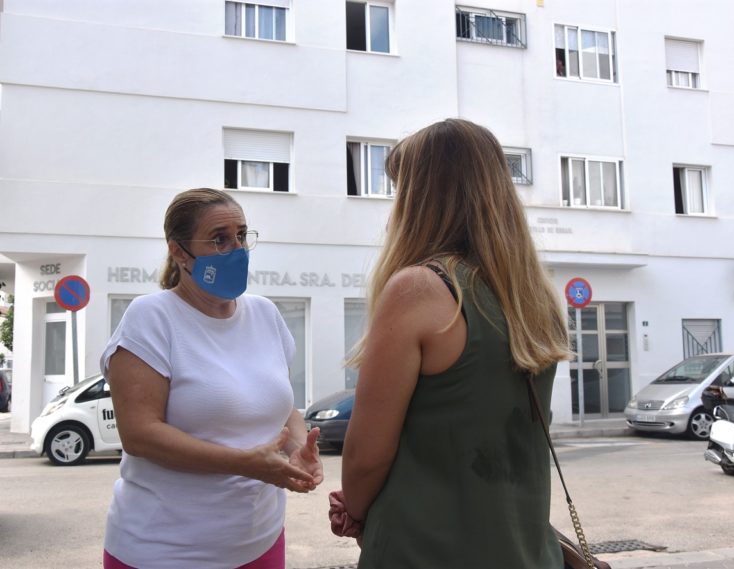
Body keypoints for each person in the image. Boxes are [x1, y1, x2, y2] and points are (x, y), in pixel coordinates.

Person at [339, 119, 572, 568]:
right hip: (524, 552)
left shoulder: (420, 289)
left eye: (399, 190)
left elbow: (364, 458)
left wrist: (355, 509)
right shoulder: (535, 298)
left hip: (425, 551)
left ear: (420, 198)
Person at [100, 188, 323, 569]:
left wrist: (298, 449)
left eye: (241, 235)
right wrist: (243, 462)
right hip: (164, 550)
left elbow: (283, 408)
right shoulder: (151, 317)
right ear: (179, 251)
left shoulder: (265, 314)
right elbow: (139, 435)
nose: (237, 249)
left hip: (261, 541)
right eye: (219, 239)